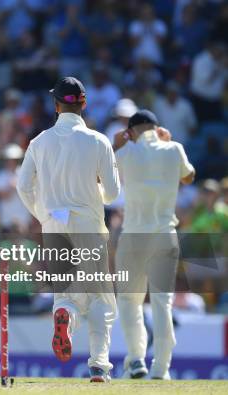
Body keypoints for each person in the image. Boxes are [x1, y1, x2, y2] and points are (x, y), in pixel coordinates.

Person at [17, 77, 120, 383]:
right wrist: (93, 198)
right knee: (100, 298)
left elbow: (23, 187)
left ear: (56, 104)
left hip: (55, 225)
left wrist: (45, 215)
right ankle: (99, 365)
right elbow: (113, 194)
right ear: (84, 103)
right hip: (88, 223)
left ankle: (66, 317)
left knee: (66, 295)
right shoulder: (99, 141)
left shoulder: (39, 141)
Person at [112, 109, 195, 380]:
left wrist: (117, 145)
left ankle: (136, 358)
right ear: (157, 128)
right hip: (164, 234)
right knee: (162, 303)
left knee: (128, 300)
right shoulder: (174, 149)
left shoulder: (126, 152)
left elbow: (103, 175)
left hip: (134, 235)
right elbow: (188, 177)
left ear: (132, 131)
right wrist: (169, 145)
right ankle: (162, 368)